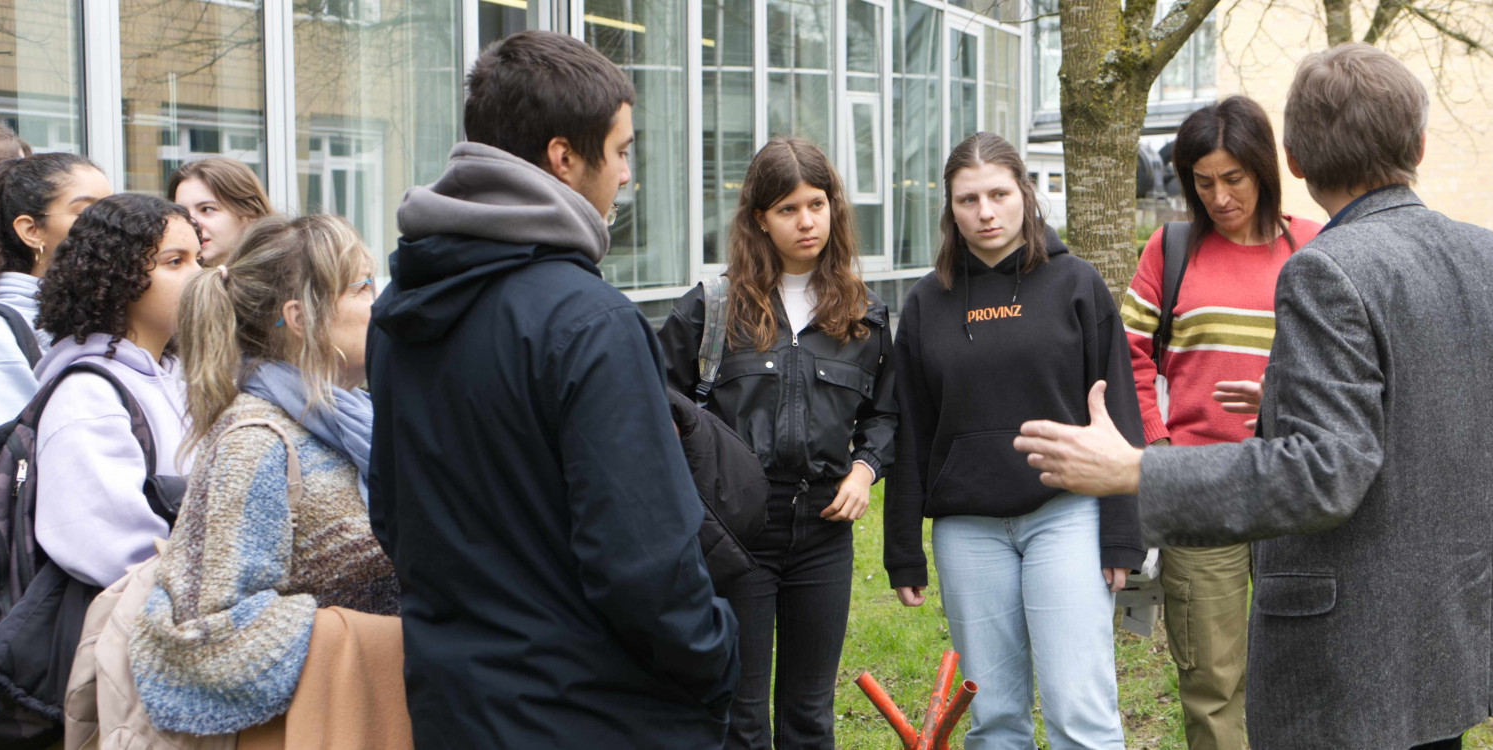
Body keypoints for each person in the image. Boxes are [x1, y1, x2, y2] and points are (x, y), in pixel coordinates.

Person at [1013, 44, 1493, 749]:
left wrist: (1133, 469)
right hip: (1453, 619)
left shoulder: (1326, 270)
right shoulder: (1491, 253)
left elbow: (1322, 474)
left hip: (1363, 649)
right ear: (1421, 145)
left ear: (1298, 160)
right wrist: (1295, 402)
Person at [366, 30, 738, 749]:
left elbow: (393, 516)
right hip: (596, 715)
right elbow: (644, 565)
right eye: (622, 151)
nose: (627, 175)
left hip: (457, 709)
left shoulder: (395, 315)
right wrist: (717, 654)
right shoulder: (588, 322)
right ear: (564, 159)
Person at [885, 131, 1143, 750]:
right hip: (967, 530)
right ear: (950, 209)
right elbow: (909, 428)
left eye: (999, 193)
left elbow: (1120, 415)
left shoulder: (1076, 284)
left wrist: (1122, 532)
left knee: (1078, 710)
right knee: (994, 719)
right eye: (968, 199)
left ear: (1024, 194)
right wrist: (902, 549)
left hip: (1067, 515)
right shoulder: (926, 303)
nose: (986, 212)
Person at [658, 136, 897, 750]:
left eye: (816, 204)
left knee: (810, 717)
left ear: (834, 207)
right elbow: (656, 411)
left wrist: (866, 468)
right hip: (737, 537)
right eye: (788, 209)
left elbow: (888, 412)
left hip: (823, 535)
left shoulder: (863, 317)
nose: (806, 221)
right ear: (759, 217)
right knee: (741, 722)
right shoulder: (711, 311)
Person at [131, 214, 400, 735]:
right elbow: (199, 642)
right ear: (300, 317)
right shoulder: (254, 443)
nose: (382, 303)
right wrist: (384, 640)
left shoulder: (355, 418)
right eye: (363, 286)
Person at [1119, 95, 1319, 750]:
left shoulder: (1315, 247)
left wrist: (1281, 399)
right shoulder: (1172, 249)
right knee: (1212, 680)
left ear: (1264, 169)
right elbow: (1130, 356)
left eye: (1233, 177)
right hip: (1201, 490)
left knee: (1304, 671)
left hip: (1296, 492)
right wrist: (1159, 450)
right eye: (1202, 182)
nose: (1219, 196)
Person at [34, 192, 200, 589]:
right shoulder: (88, 395)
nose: (200, 276)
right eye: (175, 262)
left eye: (200, 259)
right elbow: (111, 551)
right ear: (118, 277)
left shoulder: (178, 376)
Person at [0, 153, 111, 417]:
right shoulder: (5, 332)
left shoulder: (103, 311)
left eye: (111, 210)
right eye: (86, 213)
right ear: (32, 231)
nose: (110, 227)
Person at [166, 156, 273, 266]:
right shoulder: (169, 280)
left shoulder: (284, 277)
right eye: (182, 213)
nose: (192, 224)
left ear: (250, 214)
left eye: (206, 209)